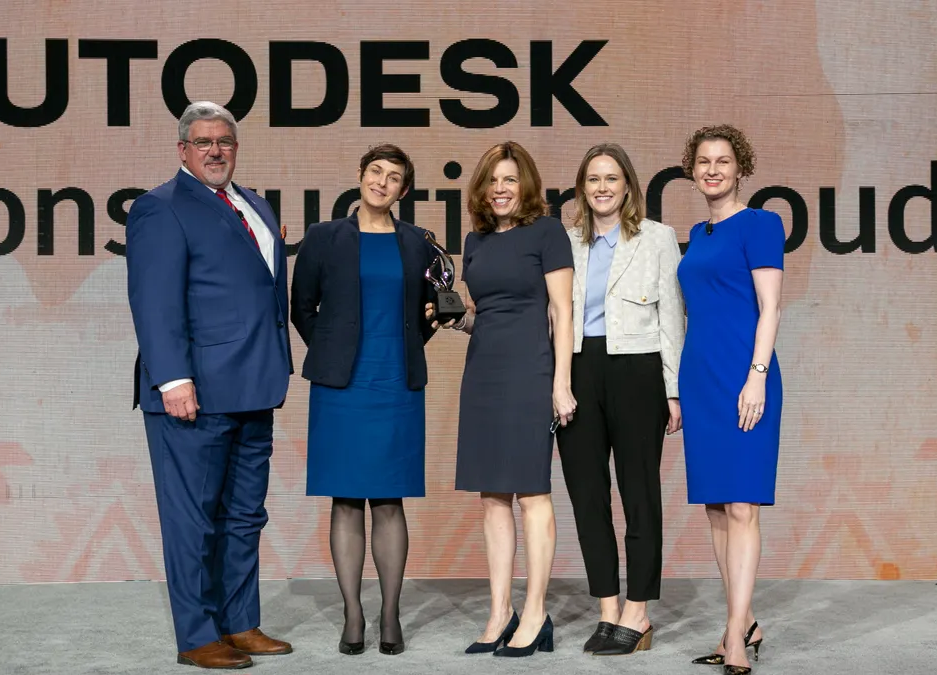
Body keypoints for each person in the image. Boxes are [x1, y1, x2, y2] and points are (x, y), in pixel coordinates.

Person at [125, 101, 294, 669]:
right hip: (193, 393)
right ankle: (197, 635)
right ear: (183, 150)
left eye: (224, 141)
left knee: (245, 515)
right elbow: (154, 302)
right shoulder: (160, 208)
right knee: (192, 518)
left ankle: (240, 622)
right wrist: (174, 379)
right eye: (203, 142)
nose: (215, 150)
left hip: (255, 384)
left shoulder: (255, 206)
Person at [290, 144, 439, 657]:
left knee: (390, 501)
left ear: (403, 189)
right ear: (359, 176)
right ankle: (353, 613)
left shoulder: (417, 242)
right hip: (342, 388)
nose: (382, 181)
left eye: (394, 176)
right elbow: (301, 306)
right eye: (375, 171)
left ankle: (390, 612)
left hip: (395, 383)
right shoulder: (324, 237)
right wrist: (334, 350)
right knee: (347, 498)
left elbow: (427, 314)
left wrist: (406, 345)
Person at [429, 141, 574, 658]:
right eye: (492, 181)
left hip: (531, 371)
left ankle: (536, 612)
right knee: (492, 498)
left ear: (526, 184)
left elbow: (562, 312)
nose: (501, 189)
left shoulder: (548, 232)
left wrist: (561, 383)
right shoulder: (476, 240)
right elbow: (485, 313)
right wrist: (453, 318)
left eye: (509, 179)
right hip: (484, 372)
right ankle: (500, 611)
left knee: (532, 493)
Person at [556, 143, 685, 656]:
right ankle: (608, 610)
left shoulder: (657, 238)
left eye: (612, 178)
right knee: (587, 497)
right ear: (582, 188)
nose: (602, 188)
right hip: (580, 371)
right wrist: (557, 381)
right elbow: (555, 320)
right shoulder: (566, 242)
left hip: (637, 370)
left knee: (638, 495)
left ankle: (639, 612)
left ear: (628, 185)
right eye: (593, 179)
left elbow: (673, 317)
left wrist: (673, 390)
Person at [676, 124, 785, 675]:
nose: (712, 169)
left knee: (743, 505)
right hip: (701, 381)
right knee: (718, 510)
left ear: (740, 167)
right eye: (703, 161)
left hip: (745, 376)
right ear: (692, 170)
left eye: (722, 161)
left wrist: (757, 376)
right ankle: (741, 623)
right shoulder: (697, 233)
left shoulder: (763, 224)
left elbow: (770, 308)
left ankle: (736, 639)